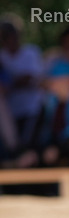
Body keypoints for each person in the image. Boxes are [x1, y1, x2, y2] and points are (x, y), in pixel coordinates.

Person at [0, 18, 45, 149]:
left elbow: (33, 78)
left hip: (32, 109)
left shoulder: (31, 52)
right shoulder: (2, 56)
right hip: (11, 111)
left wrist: (11, 83)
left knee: (29, 144)